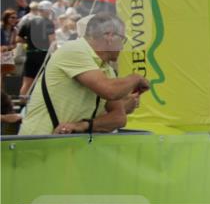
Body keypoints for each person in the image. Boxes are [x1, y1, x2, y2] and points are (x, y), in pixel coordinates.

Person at [18, 13, 148, 135]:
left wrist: (83, 125)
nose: (122, 47)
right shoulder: (74, 50)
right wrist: (135, 78)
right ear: (109, 36)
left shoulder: (106, 69)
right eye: (122, 39)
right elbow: (110, 90)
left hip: (63, 146)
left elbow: (118, 118)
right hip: (38, 143)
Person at [18, 1, 56, 97]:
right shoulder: (48, 23)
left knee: (27, 82)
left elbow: (18, 39)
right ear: (46, 11)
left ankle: (22, 104)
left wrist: (29, 43)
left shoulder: (28, 22)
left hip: (30, 55)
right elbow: (52, 42)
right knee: (44, 83)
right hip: (43, 55)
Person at [1, 9, 19, 78]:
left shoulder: (14, 30)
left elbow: (15, 44)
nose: (14, 19)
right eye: (12, 17)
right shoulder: (1, 28)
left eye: (16, 18)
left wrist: (8, 47)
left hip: (7, 54)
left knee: (4, 74)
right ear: (6, 18)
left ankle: (2, 88)